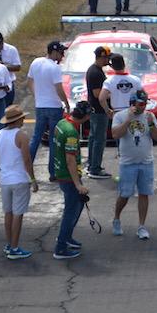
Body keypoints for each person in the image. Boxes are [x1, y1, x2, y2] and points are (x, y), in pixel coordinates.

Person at [111, 90, 157, 241]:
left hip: (146, 162)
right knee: (125, 194)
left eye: (145, 103)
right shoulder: (120, 116)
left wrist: (152, 123)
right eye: (141, 104)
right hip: (128, 163)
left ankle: (141, 226)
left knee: (144, 194)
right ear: (132, 104)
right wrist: (128, 120)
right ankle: (116, 218)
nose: (143, 106)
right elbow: (115, 134)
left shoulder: (149, 116)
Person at [0, 105, 38, 260]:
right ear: (19, 119)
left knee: (8, 213)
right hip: (20, 180)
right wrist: (33, 179)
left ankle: (9, 244)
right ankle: (15, 248)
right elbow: (27, 160)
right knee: (18, 214)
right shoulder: (21, 136)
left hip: (5, 180)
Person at [52, 101, 92, 260]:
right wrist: (78, 184)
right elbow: (70, 160)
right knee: (71, 211)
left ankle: (66, 237)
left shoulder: (62, 123)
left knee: (79, 204)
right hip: (68, 176)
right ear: (86, 116)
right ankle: (60, 247)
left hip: (61, 172)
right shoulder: (71, 133)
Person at [27, 41, 70, 180]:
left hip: (40, 106)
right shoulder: (55, 68)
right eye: (61, 53)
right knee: (53, 140)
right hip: (54, 107)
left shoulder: (36, 62)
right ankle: (53, 172)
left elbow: (29, 81)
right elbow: (59, 89)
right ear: (54, 52)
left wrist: (37, 95)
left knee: (35, 138)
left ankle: (26, 169)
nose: (62, 56)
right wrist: (66, 103)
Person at [85, 45, 112, 179]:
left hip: (94, 110)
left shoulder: (95, 70)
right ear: (101, 57)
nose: (108, 60)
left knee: (93, 138)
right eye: (107, 57)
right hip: (99, 111)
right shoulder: (95, 73)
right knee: (99, 140)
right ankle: (95, 168)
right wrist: (111, 93)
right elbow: (97, 94)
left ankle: (91, 164)